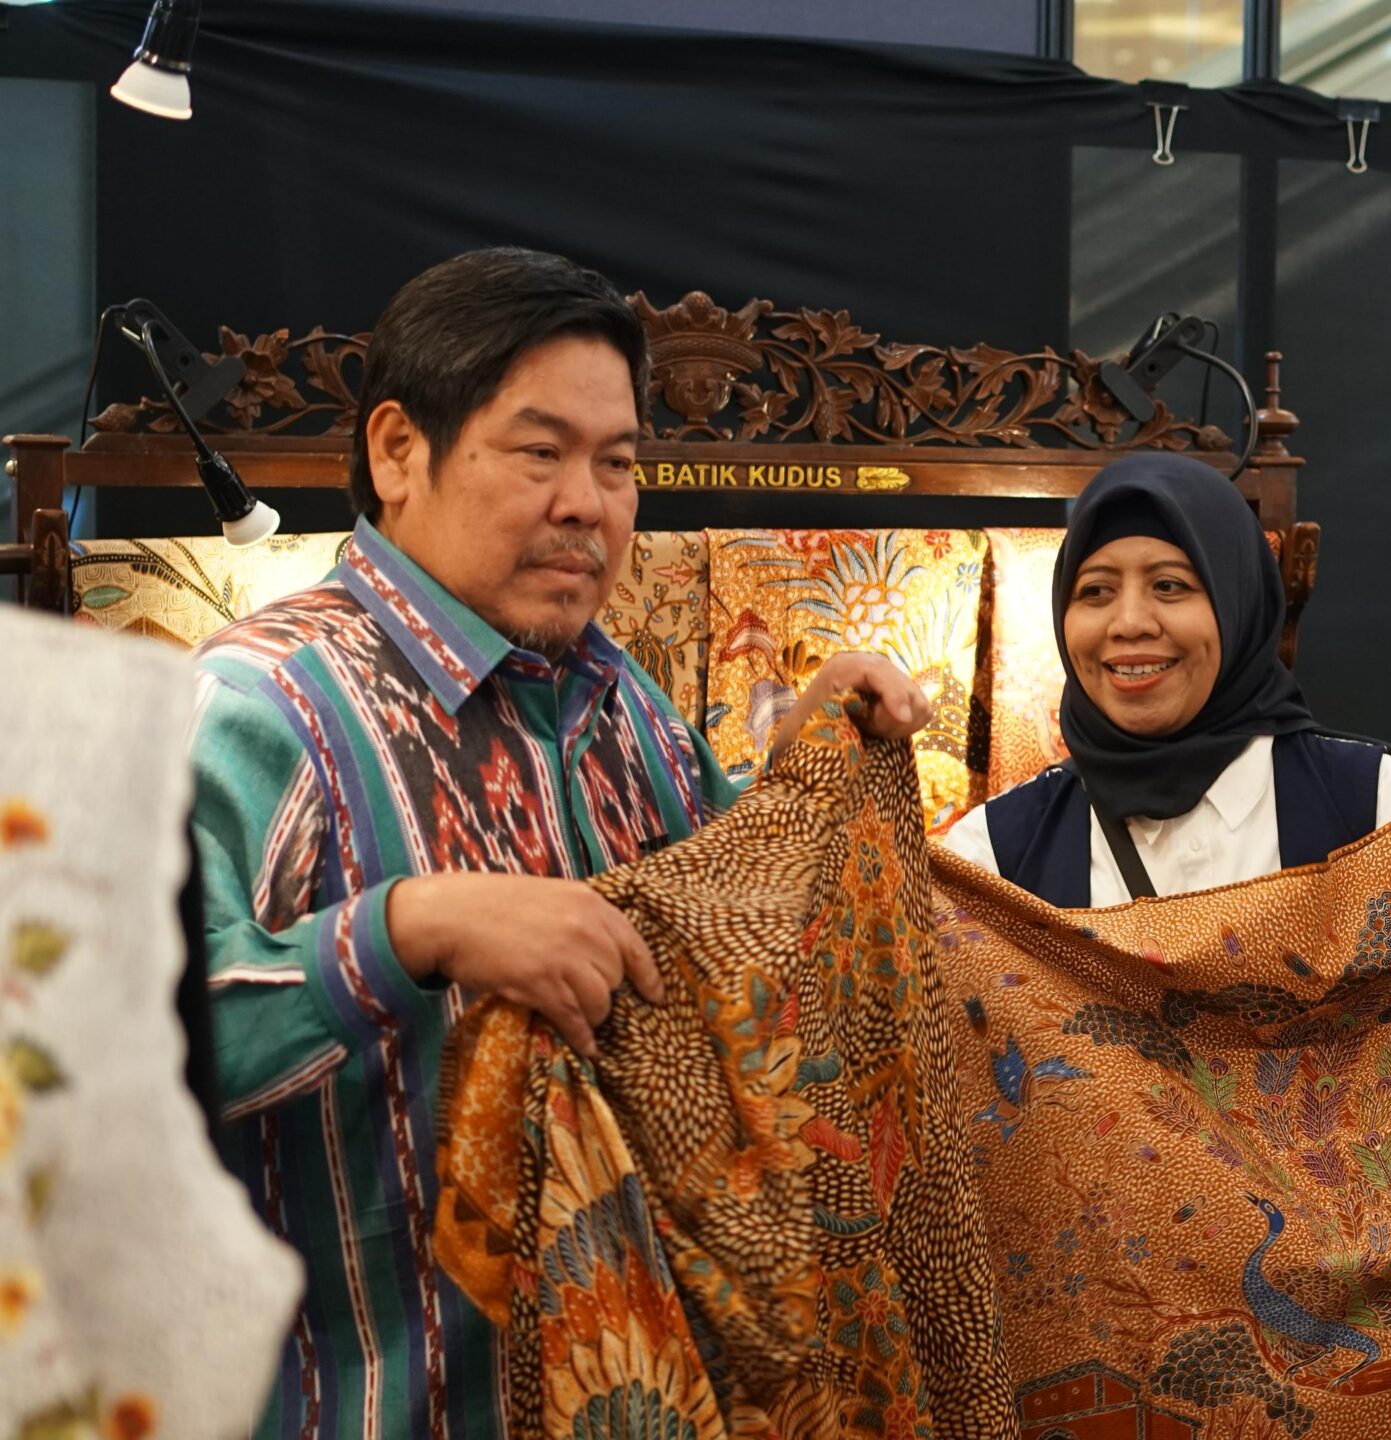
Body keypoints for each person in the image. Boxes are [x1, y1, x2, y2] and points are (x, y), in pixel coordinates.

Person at [187, 246, 924, 1439]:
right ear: (398, 451)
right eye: (540, 452)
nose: (587, 504)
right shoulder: (261, 708)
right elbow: (90, 1045)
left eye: (617, 464)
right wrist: (407, 931)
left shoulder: (622, 705)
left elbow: (713, 938)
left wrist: (807, 765)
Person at [938, 453, 1391, 906]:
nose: (1129, 622)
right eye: (1096, 591)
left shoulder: (1378, 810)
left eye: (1169, 585)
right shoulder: (993, 856)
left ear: (1238, 606)